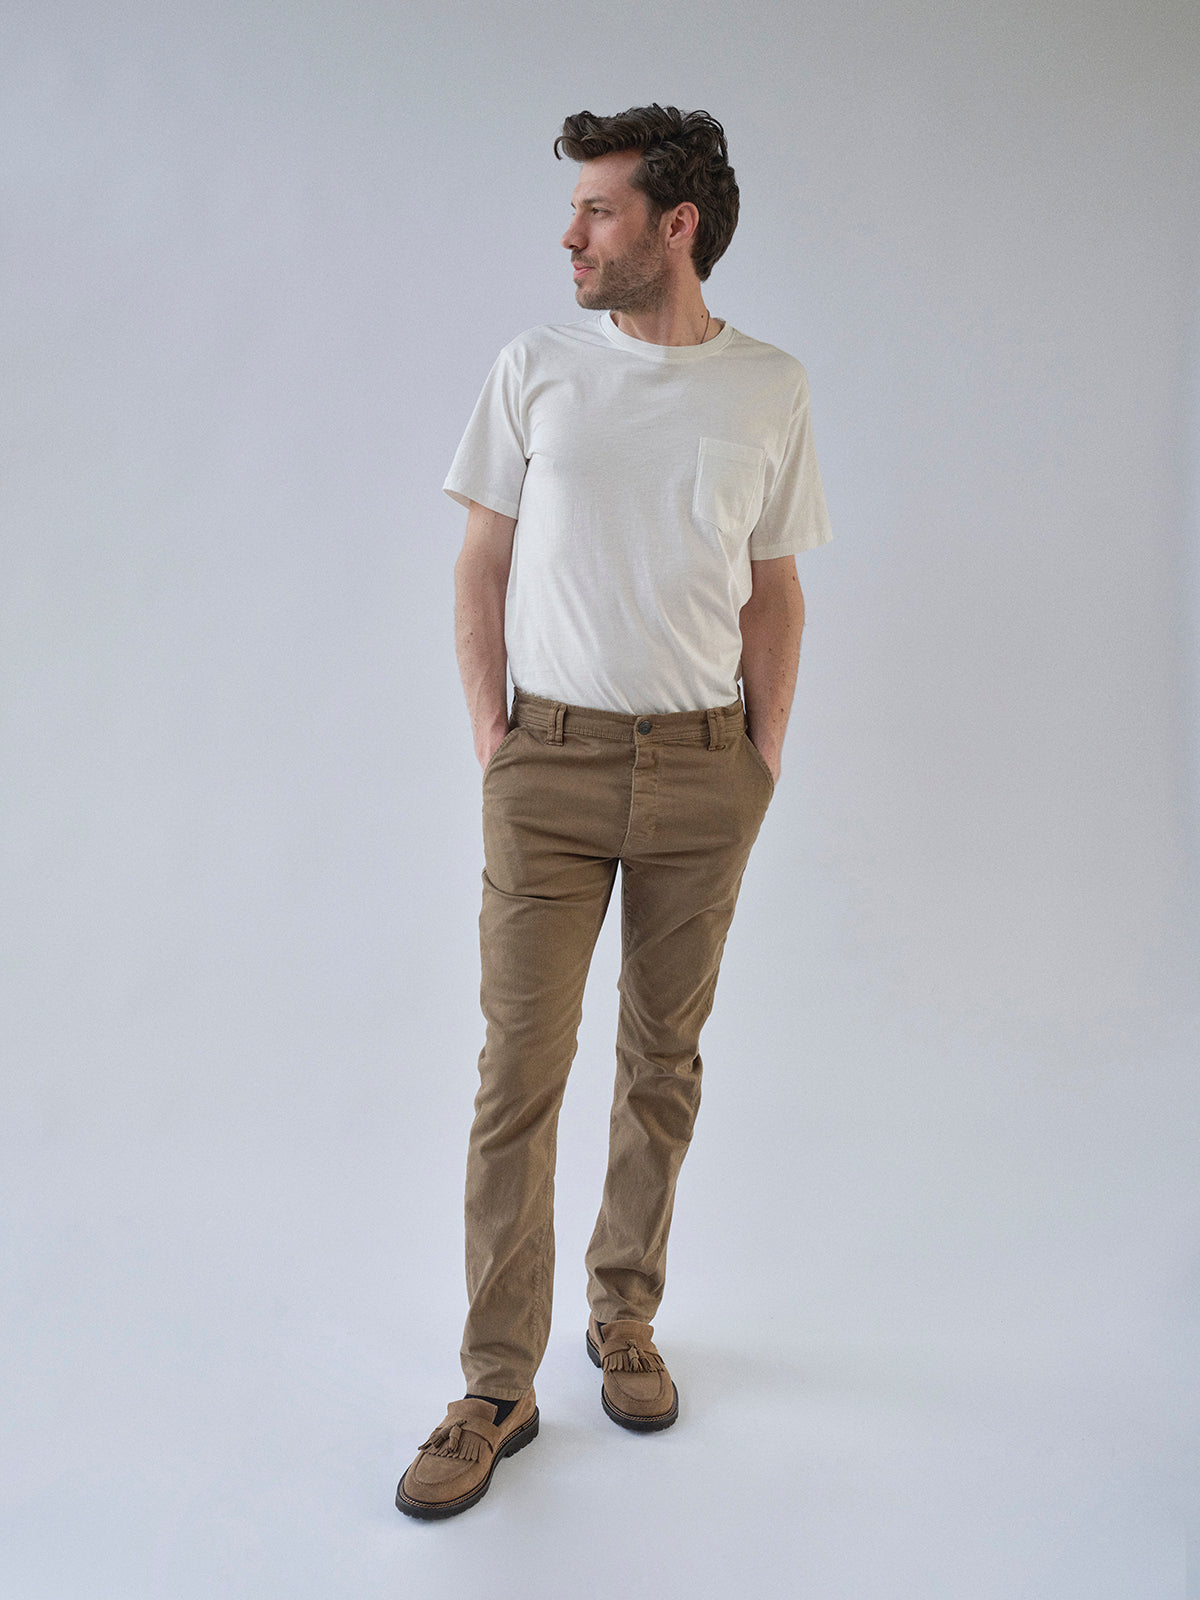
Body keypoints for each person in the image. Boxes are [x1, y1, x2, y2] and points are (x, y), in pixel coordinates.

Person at [396, 104, 831, 1519]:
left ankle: (623, 1312)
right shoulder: (537, 368)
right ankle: (495, 1384)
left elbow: (775, 586)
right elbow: (481, 565)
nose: (570, 235)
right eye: (575, 209)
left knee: (663, 1059)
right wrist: (497, 745)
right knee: (517, 1073)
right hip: (552, 767)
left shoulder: (769, 387)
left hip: (706, 772)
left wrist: (761, 758)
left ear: (674, 226)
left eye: (598, 209)